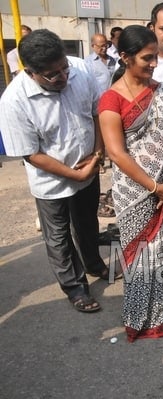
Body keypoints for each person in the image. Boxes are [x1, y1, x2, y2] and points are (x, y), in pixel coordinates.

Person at [0, 29, 114, 313]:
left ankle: (93, 264)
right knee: (58, 237)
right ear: (30, 72)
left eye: (64, 68)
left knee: (88, 222)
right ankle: (75, 288)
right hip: (51, 184)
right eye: (53, 74)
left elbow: (97, 112)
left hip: (89, 167)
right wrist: (74, 174)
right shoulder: (14, 102)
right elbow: (31, 153)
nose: (63, 76)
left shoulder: (79, 69)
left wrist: (97, 155)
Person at [98, 25, 163, 341]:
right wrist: (155, 187)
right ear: (124, 57)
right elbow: (116, 152)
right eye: (146, 58)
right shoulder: (110, 100)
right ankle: (142, 316)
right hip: (135, 191)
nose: (153, 64)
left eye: (155, 58)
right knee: (140, 256)